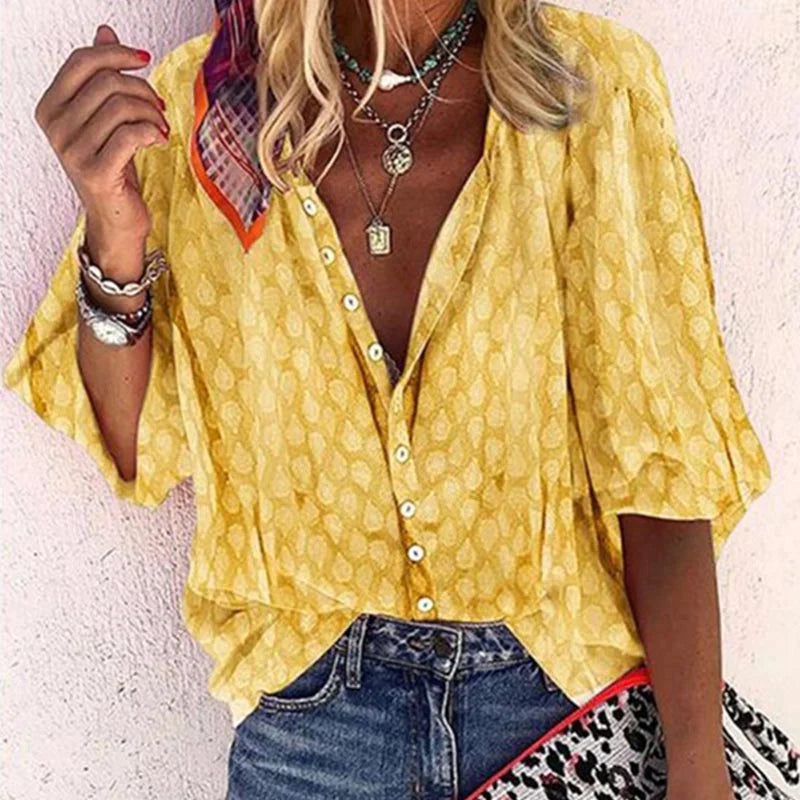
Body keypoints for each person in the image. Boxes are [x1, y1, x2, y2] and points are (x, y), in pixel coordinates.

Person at [3, 0, 772, 797]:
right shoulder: (204, 115)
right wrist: (114, 225)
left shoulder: (589, 91)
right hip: (312, 734)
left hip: (560, 709)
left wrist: (698, 765)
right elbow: (137, 442)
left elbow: (662, 468)